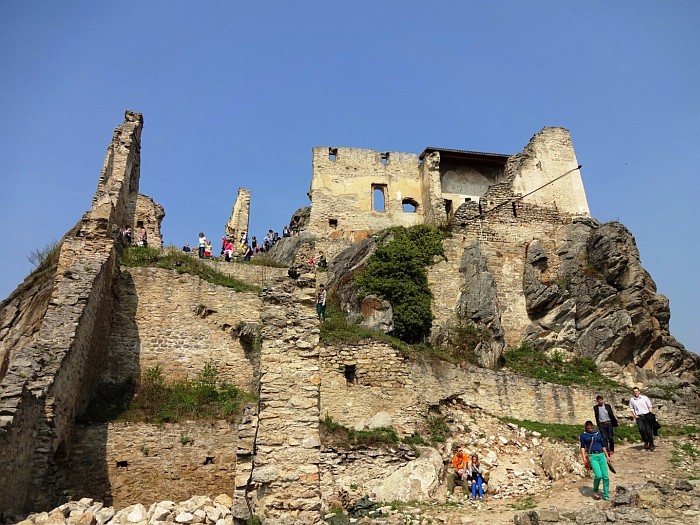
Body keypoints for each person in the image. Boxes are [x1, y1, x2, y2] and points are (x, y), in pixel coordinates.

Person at [579, 420, 610, 501]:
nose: (590, 429)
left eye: (591, 428)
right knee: (598, 475)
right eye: (588, 428)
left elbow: (603, 445)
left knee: (605, 476)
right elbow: (582, 447)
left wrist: (607, 456)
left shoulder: (597, 434)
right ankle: (595, 490)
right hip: (592, 456)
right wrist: (584, 457)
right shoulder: (583, 435)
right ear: (586, 427)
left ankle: (606, 494)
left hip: (601, 455)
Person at [629, 387, 655, 451]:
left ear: (639, 391)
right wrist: (635, 415)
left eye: (637, 391)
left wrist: (650, 414)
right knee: (641, 429)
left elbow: (649, 405)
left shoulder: (644, 398)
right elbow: (632, 408)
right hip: (639, 416)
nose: (636, 393)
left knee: (649, 431)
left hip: (646, 415)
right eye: (634, 391)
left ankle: (651, 444)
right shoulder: (632, 400)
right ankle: (646, 442)